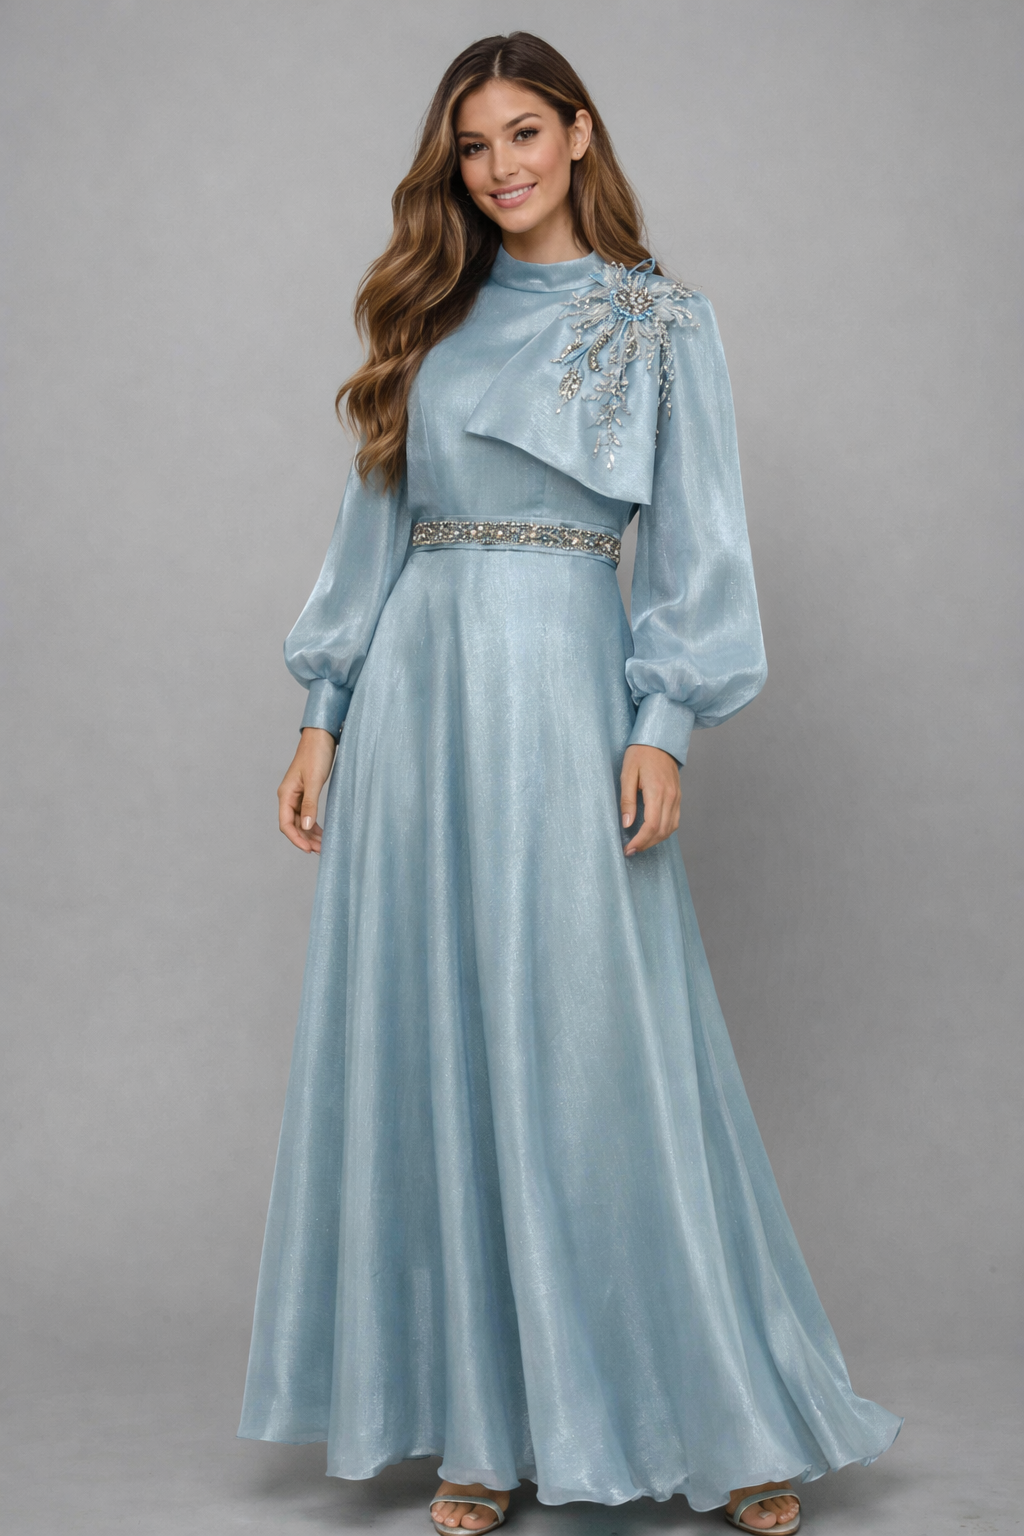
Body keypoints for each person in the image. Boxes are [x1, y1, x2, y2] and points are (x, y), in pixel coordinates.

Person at [238, 32, 900, 1535]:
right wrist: (322, 712)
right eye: (473, 146)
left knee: (606, 1052)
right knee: (442, 1043)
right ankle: (483, 1430)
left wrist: (663, 719)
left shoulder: (662, 322)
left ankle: (726, 1416)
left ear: (581, 133)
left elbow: (701, 543)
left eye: (525, 133)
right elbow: (371, 531)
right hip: (418, 699)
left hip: (565, 690)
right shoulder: (430, 317)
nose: (501, 167)